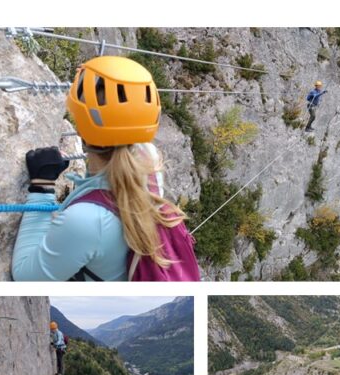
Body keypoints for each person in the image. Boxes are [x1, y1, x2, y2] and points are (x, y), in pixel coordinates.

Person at [11, 56, 199, 282]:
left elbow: (26, 277)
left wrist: (42, 188)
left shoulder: (87, 221)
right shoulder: (147, 157)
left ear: (81, 122)